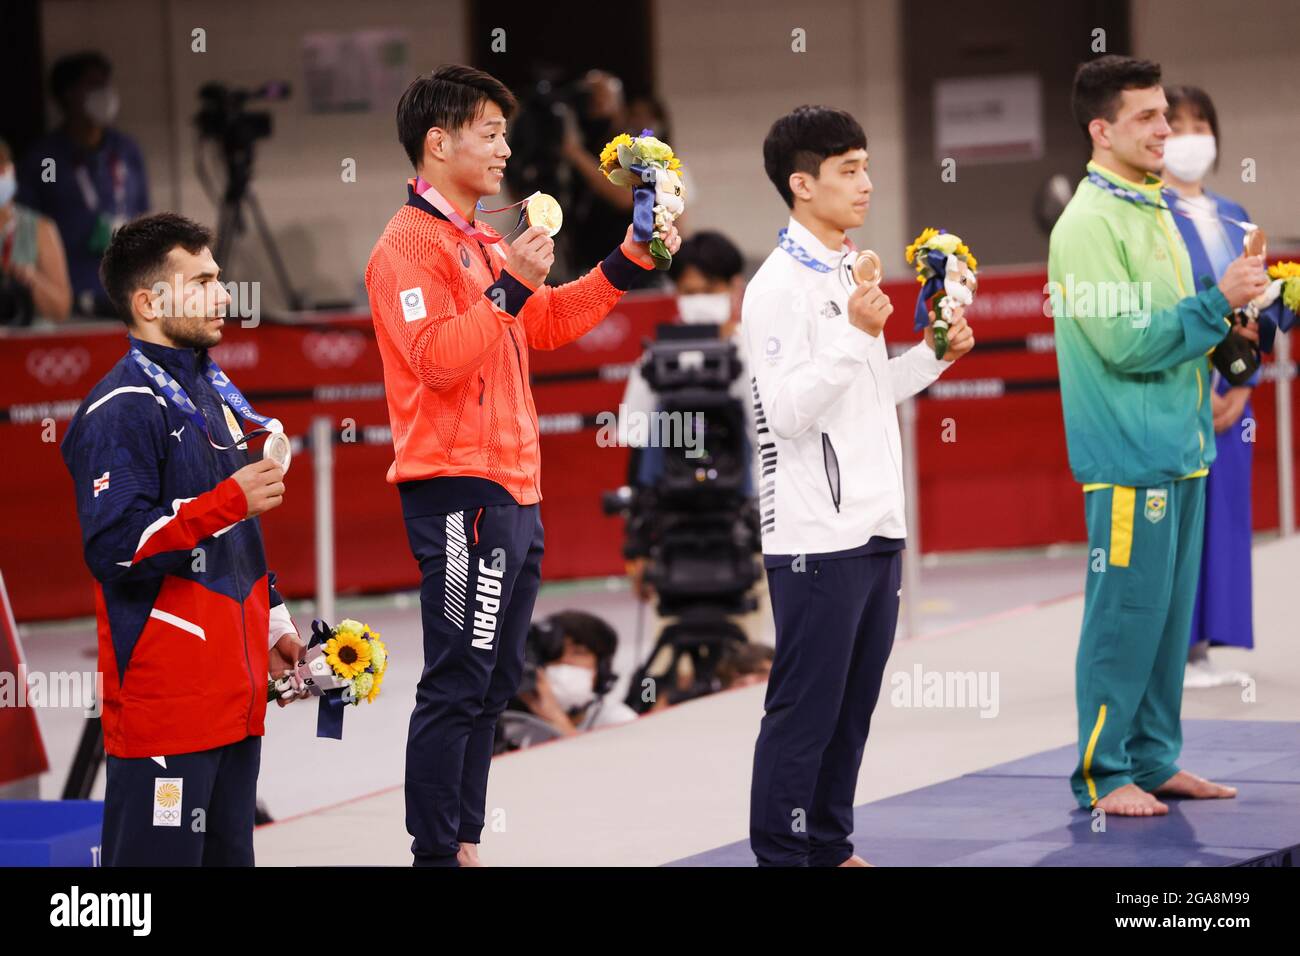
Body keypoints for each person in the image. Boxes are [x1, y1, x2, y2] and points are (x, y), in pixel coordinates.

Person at [364, 64, 678, 868]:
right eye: (491, 132)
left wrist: (628, 258)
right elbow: (435, 361)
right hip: (456, 490)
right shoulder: (405, 248)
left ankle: (463, 840)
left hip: (512, 489)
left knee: (495, 678)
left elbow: (544, 322)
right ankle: (436, 853)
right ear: (439, 144)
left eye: (505, 132)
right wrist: (507, 286)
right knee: (458, 679)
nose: (506, 148)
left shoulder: (479, 240)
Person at [743, 105, 974, 867]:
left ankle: (830, 845)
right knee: (804, 712)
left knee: (851, 710)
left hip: (875, 523)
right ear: (802, 184)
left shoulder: (849, 267)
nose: (867, 183)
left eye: (866, 167)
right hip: (815, 534)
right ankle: (783, 856)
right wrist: (854, 334)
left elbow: (866, 394)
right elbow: (786, 412)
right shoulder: (777, 286)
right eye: (849, 170)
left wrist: (933, 355)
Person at [1049, 56, 1268, 817]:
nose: (1164, 131)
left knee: (1169, 626)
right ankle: (1102, 772)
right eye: (1146, 117)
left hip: (1183, 450)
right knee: (1123, 621)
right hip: (1127, 460)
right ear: (1101, 130)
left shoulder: (1152, 210)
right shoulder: (1087, 224)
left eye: (1164, 116)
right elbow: (1125, 341)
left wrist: (1235, 327)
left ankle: (1152, 758)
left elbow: (1182, 328)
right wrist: (1214, 303)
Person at [60, 213, 305, 866]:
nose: (223, 295)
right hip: (167, 715)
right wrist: (228, 501)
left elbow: (233, 531)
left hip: (236, 704)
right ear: (148, 303)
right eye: (201, 282)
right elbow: (115, 548)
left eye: (218, 279)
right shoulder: (120, 409)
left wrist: (273, 624)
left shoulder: (209, 389)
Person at [1159, 85, 1296, 688]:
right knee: (1177, 521)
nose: (1191, 136)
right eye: (1177, 124)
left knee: (1224, 519)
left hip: (1232, 397)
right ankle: (1171, 648)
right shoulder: (1152, 214)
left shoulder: (1235, 213)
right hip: (1178, 391)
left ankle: (1204, 647)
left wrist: (1243, 382)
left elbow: (1255, 306)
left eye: (1201, 124)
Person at [17, 51, 150, 317]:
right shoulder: (45, 158)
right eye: (93, 85)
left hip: (129, 294)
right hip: (70, 298)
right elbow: (27, 230)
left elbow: (145, 214)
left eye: (105, 84)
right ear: (68, 94)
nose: (104, 93)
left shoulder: (126, 150)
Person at [0, 137, 72, 323]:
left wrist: (31, 279)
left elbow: (61, 310)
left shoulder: (41, 229)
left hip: (32, 337)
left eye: (2, 169)